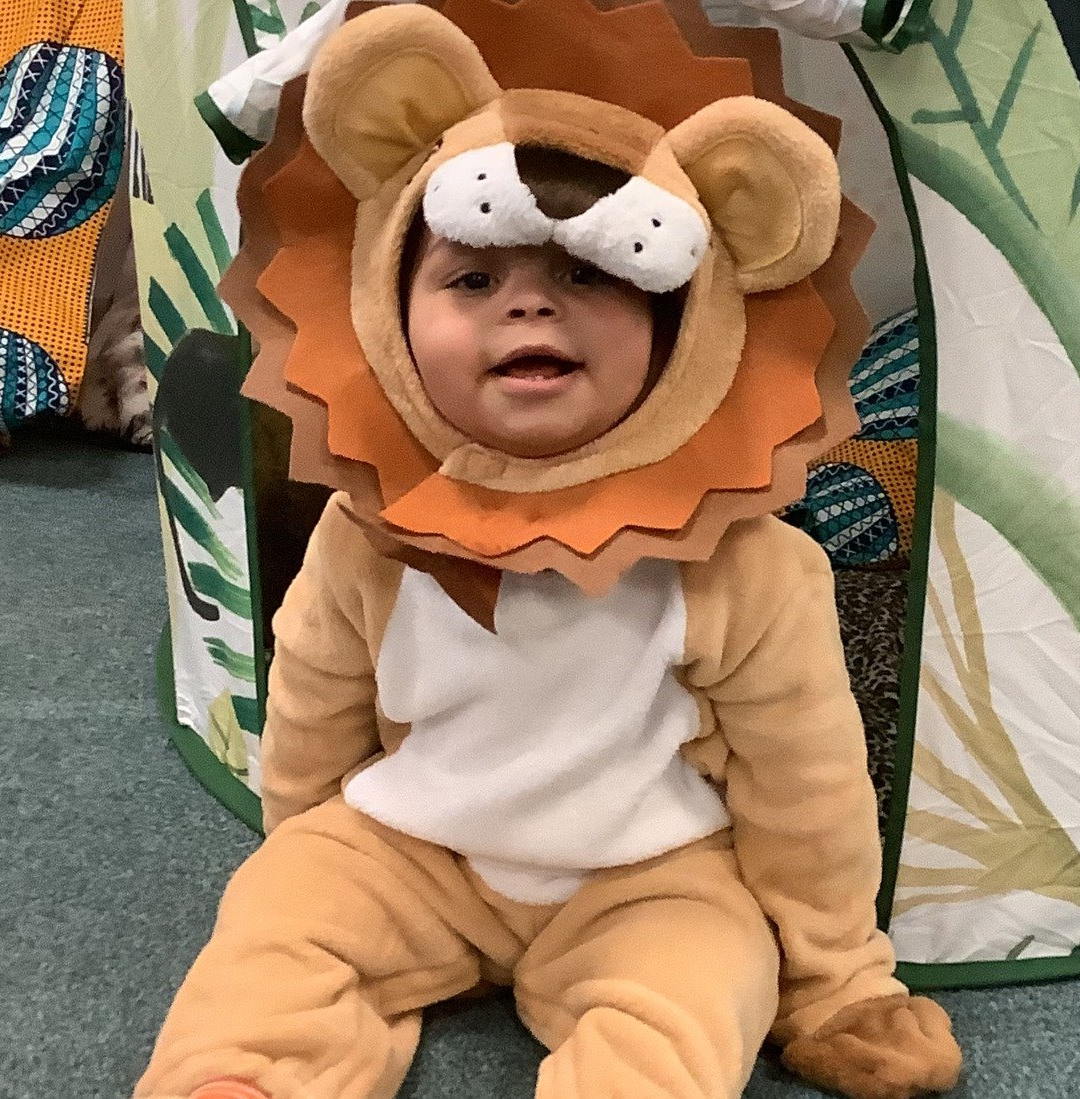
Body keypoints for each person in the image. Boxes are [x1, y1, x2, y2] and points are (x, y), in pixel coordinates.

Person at [135, 7, 962, 1098]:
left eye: (589, 273)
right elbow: (312, 710)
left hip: (647, 876)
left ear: (685, 318)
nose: (528, 299)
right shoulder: (371, 525)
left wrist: (840, 979)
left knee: (702, 987)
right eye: (471, 281)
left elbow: (804, 788)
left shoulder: (739, 562)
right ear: (387, 308)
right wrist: (300, 854)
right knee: (277, 928)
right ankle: (243, 1077)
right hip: (410, 852)